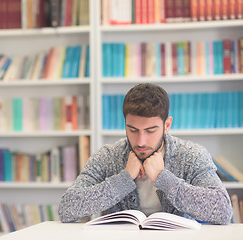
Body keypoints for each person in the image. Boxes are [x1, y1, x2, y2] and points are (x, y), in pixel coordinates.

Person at [58, 83, 232, 225]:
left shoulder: (191, 155)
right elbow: (67, 208)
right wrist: (124, 179)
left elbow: (223, 210)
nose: (141, 141)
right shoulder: (107, 156)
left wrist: (164, 179)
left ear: (167, 125)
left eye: (150, 130)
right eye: (133, 130)